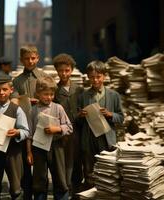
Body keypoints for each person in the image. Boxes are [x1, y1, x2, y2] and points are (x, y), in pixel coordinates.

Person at [77, 60, 124, 189]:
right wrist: (81, 116)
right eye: (92, 77)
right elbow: (78, 122)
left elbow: (121, 117)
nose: (95, 80)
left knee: (108, 172)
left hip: (106, 139)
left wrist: (110, 114)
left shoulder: (114, 96)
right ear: (87, 77)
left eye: (98, 77)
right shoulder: (83, 96)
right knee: (89, 172)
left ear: (104, 76)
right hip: (89, 139)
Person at [27, 76, 73, 200]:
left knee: (59, 177)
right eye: (45, 94)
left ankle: (61, 196)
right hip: (38, 148)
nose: (49, 97)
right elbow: (29, 134)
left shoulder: (58, 108)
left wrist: (57, 129)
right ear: (38, 94)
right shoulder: (33, 111)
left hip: (56, 147)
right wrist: (29, 152)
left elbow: (69, 127)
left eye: (51, 94)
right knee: (39, 179)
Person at [12, 44, 48, 200]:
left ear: (38, 58)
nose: (30, 61)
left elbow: (51, 96)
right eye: (26, 59)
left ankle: (41, 194)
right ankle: (26, 193)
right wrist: (25, 100)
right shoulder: (17, 81)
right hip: (24, 124)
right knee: (25, 164)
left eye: (33, 58)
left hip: (41, 124)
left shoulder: (44, 77)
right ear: (21, 60)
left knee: (41, 163)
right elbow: (13, 101)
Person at [52, 53, 84, 196]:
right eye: (61, 71)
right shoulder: (54, 91)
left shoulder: (79, 90)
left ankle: (76, 192)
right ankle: (64, 191)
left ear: (71, 70)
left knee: (77, 164)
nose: (64, 73)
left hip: (77, 132)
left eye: (67, 70)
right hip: (62, 135)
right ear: (56, 71)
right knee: (64, 165)